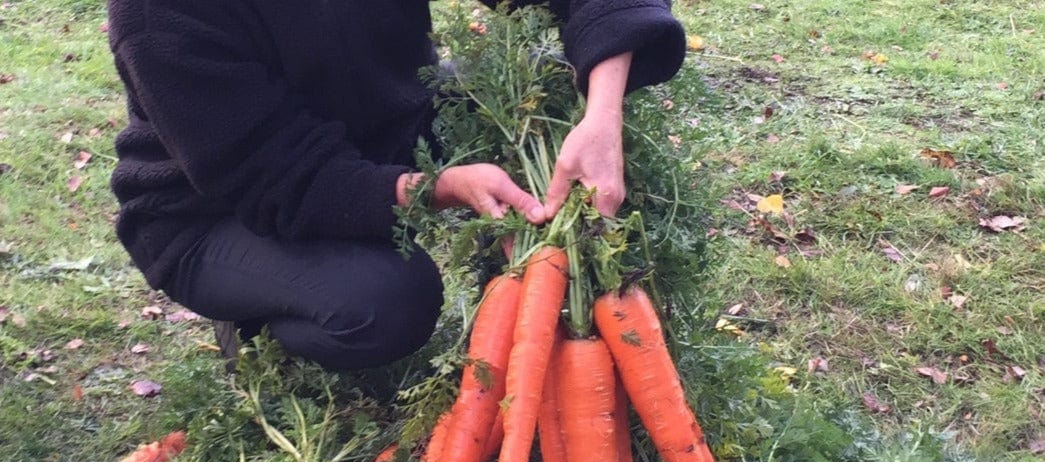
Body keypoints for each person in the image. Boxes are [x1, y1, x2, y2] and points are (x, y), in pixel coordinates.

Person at [105, 1, 686, 371]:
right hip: (212, 210)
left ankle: (533, 322)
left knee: (551, 86)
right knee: (384, 301)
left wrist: (601, 115)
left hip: (383, 127)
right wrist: (439, 187)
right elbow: (277, 178)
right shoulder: (158, 15)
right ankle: (260, 325)